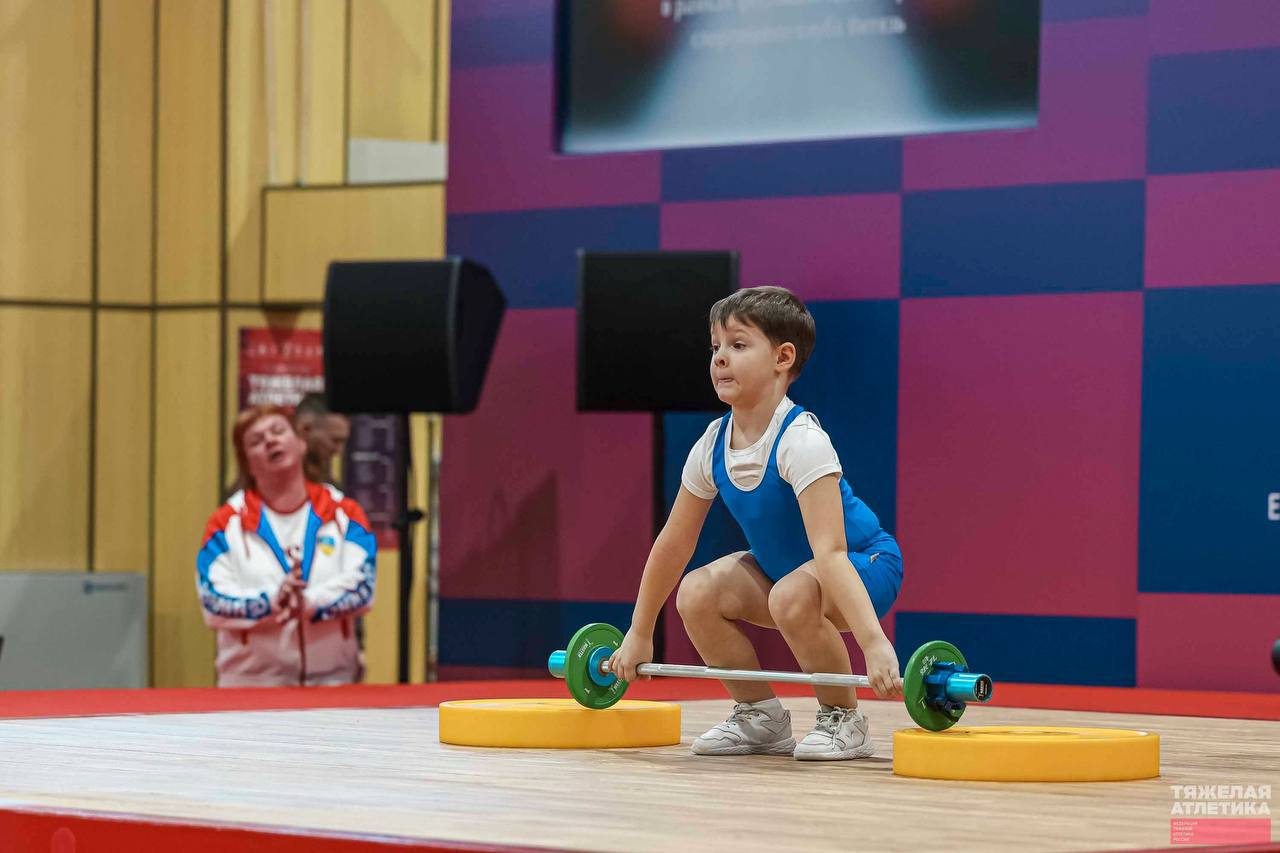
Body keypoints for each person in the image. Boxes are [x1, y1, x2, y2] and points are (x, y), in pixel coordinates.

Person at [609, 286, 904, 761]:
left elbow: (829, 553)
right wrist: (639, 631)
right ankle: (759, 717)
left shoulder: (802, 441)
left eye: (739, 345)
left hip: (865, 566)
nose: (720, 358)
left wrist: (874, 643)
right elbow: (673, 543)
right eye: (716, 347)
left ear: (783, 358)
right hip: (785, 575)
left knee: (791, 594)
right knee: (696, 592)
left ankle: (843, 718)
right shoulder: (712, 444)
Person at [196, 405, 376, 686]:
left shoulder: (345, 514)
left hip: (333, 681)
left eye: (278, 431)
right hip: (251, 683)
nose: (270, 440)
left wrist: (309, 604)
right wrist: (272, 602)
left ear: (301, 443)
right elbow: (213, 600)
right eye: (256, 441)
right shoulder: (225, 524)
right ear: (247, 463)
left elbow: (363, 588)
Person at [293, 393, 351, 487]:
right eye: (335, 440)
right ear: (305, 430)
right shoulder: (272, 485)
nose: (339, 450)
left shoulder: (333, 492)